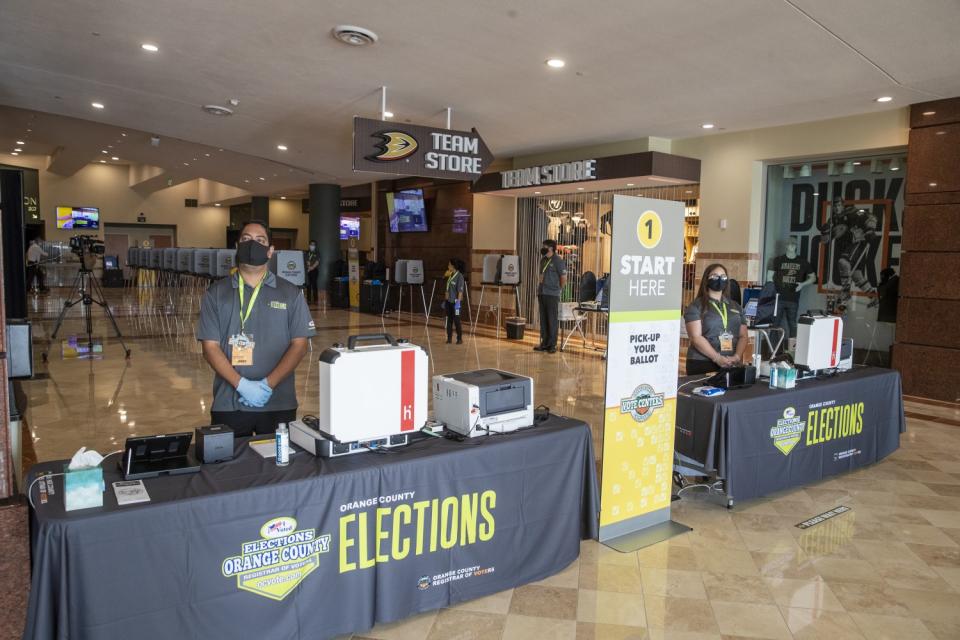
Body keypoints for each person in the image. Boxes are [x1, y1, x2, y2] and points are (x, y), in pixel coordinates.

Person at [197, 220, 316, 437]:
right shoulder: (216, 293)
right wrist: (242, 385)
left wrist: (267, 385)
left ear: (271, 251)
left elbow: (299, 345)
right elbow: (210, 347)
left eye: (260, 241)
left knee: (280, 467)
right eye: (246, 239)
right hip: (229, 403)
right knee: (227, 469)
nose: (253, 245)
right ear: (237, 247)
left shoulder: (290, 293)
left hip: (278, 402)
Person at [683, 263, 748, 375]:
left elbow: (743, 336)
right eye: (715, 276)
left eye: (723, 276)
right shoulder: (696, 306)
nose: (719, 279)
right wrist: (717, 358)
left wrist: (737, 357)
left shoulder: (735, 306)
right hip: (702, 362)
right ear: (706, 279)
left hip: (730, 363)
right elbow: (696, 337)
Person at [767, 236, 816, 341]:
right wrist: (772, 292)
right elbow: (769, 277)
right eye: (789, 244)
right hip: (778, 297)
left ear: (796, 246)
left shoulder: (802, 262)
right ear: (786, 245)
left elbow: (813, 277)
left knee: (792, 324)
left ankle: (792, 350)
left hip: (793, 298)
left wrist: (802, 284)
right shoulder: (778, 260)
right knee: (774, 324)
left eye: (793, 244)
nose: (791, 246)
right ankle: (772, 350)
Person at [535, 239, 567, 353]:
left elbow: (563, 278)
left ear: (551, 248)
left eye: (545, 246)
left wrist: (558, 289)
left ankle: (552, 345)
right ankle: (545, 343)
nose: (543, 248)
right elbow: (541, 275)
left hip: (552, 294)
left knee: (552, 319)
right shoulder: (543, 260)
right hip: (542, 292)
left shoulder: (558, 261)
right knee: (543, 319)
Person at [443, 258, 466, 344]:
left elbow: (460, 291)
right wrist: (446, 299)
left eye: (449, 265)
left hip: (456, 303)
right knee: (449, 320)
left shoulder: (459, 276)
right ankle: (449, 338)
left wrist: (458, 303)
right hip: (449, 301)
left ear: (453, 266)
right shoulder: (450, 274)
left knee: (457, 320)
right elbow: (448, 288)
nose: (448, 266)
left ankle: (459, 338)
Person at [305, 240, 320, 305]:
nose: (312, 246)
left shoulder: (317, 253)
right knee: (308, 285)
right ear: (309, 245)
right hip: (308, 270)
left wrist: (311, 268)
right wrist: (308, 267)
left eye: (313, 245)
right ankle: (308, 300)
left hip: (314, 271)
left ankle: (316, 300)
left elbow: (317, 262)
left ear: (315, 246)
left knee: (314, 285)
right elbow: (307, 261)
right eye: (311, 245)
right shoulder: (307, 252)